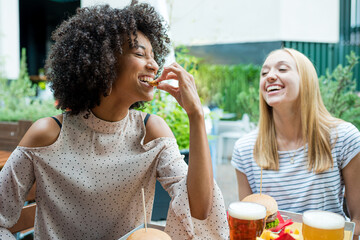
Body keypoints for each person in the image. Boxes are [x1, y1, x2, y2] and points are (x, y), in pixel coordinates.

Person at [0, 3, 229, 239]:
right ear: (105, 61)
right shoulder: (48, 135)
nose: (154, 65)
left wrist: (196, 115)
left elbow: (199, 209)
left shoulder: (151, 132)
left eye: (153, 56)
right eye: (140, 54)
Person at [231, 48, 360, 237]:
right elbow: (250, 229)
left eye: (282, 69)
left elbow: (357, 222)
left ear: (306, 81)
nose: (270, 76)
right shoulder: (245, 149)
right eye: (264, 73)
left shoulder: (344, 138)